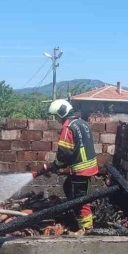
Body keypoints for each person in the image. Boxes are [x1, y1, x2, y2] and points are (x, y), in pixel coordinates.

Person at [47, 99, 98, 232]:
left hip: (81, 170)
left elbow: (64, 153)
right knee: (68, 187)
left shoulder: (67, 127)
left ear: (61, 113)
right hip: (89, 167)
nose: (57, 119)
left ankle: (86, 229)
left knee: (79, 201)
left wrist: (55, 165)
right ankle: (76, 217)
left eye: (56, 116)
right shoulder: (82, 123)